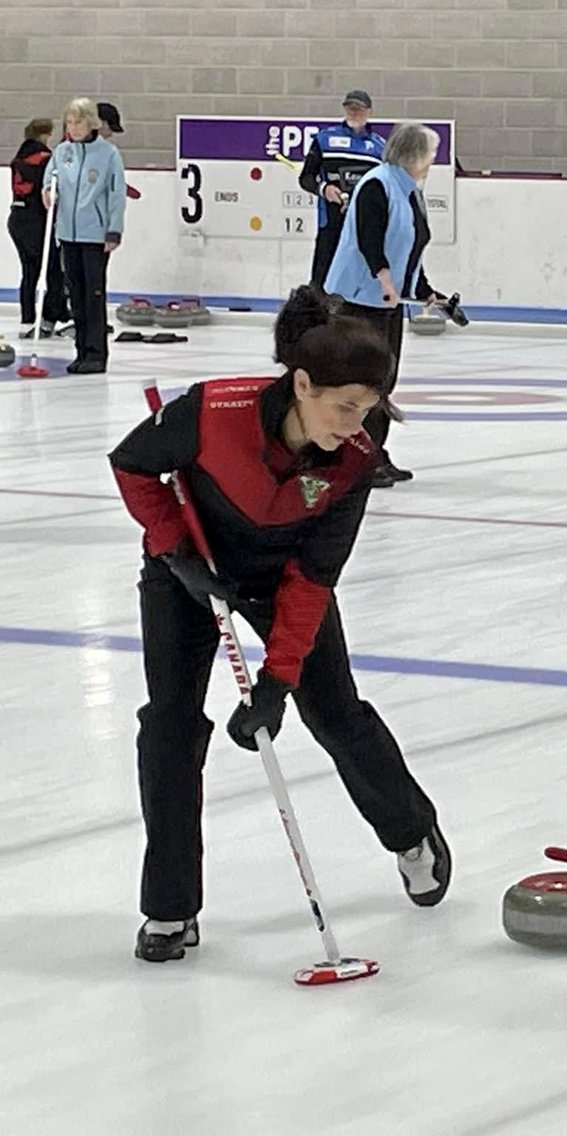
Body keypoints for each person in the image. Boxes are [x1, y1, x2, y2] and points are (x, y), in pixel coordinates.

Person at [108, 286, 452, 963]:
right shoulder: (213, 412)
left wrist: (277, 682)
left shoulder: (358, 454)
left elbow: (315, 576)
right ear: (300, 383)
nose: (355, 422)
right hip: (190, 568)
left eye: (368, 407)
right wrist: (176, 551)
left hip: (283, 576)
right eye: (344, 405)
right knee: (170, 724)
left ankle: (412, 832)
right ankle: (171, 906)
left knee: (335, 714)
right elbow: (132, 466)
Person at [325, 121, 452, 488]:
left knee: (382, 382)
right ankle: (354, 460)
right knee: (363, 382)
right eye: (430, 153)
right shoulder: (377, 184)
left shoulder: (410, 191)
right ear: (413, 153)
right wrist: (383, 279)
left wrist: (426, 291)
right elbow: (370, 239)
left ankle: (372, 454)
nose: (433, 161)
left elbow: (409, 249)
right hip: (359, 300)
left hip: (386, 302)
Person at [44, 98, 125, 374]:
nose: (73, 127)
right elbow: (50, 179)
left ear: (91, 123)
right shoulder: (62, 152)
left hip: (95, 236)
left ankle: (96, 353)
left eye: (78, 122)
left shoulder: (109, 154)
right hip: (68, 234)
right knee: (76, 296)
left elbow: (116, 194)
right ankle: (80, 350)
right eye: (69, 122)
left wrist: (114, 230)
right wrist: (48, 191)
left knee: (93, 294)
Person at [298, 90, 387, 291]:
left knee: (361, 277)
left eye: (359, 109)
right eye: (350, 108)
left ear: (369, 111)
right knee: (322, 279)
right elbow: (306, 178)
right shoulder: (324, 139)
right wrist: (324, 189)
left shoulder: (380, 147)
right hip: (331, 222)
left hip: (365, 224)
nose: (354, 112)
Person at [7, 117, 69, 338]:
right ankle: (55, 314)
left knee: (29, 271)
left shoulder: (18, 159)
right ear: (45, 135)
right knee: (54, 270)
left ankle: (27, 317)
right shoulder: (45, 159)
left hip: (17, 218)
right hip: (36, 221)